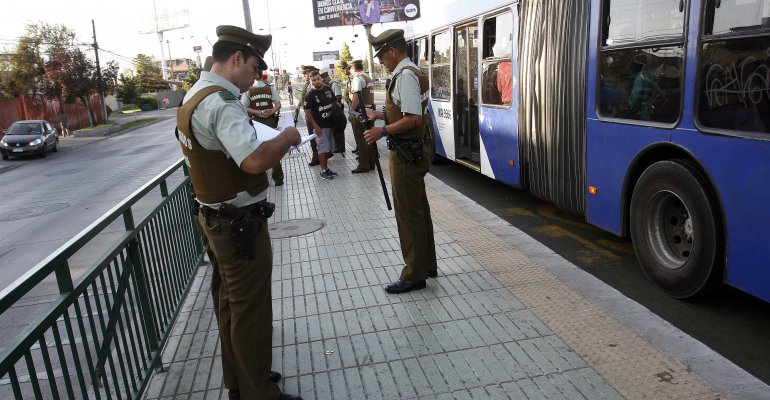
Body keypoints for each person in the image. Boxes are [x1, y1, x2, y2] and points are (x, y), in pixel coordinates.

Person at [175, 25, 302, 400]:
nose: (256, 78)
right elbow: (253, 160)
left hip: (213, 217)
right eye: (254, 67)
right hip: (239, 227)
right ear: (235, 58)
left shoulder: (196, 95)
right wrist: (287, 137)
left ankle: (241, 378)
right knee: (251, 310)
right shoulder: (221, 104)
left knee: (230, 304)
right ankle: (258, 391)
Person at [363, 29, 437, 293]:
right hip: (414, 150)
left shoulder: (404, 75)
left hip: (406, 154)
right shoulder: (412, 71)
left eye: (382, 55)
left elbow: (413, 119)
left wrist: (381, 130)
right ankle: (427, 265)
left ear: (393, 51)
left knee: (408, 214)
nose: (381, 60)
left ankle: (414, 275)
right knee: (419, 209)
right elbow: (406, 110)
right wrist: (380, 114)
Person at [242, 73, 285, 186]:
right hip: (270, 121)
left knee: (257, 150)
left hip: (256, 123)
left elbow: (243, 107)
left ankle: (261, 179)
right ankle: (278, 178)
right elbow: (278, 104)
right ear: (263, 78)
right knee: (273, 149)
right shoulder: (269, 89)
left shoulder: (249, 91)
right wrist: (271, 111)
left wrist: (256, 112)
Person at [303, 69, 338, 180]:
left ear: (321, 79)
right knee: (323, 149)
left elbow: (334, 102)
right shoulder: (310, 95)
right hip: (320, 127)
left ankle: (326, 168)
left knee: (328, 149)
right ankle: (323, 171)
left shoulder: (328, 89)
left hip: (330, 124)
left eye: (318, 79)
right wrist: (316, 126)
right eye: (314, 80)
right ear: (310, 82)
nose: (317, 81)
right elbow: (307, 111)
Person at [349, 59, 375, 173]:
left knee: (362, 139)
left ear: (354, 68)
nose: (349, 71)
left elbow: (356, 97)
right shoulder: (367, 77)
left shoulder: (357, 78)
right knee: (370, 138)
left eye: (350, 68)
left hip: (361, 112)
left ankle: (363, 165)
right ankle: (371, 163)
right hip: (370, 110)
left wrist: (352, 111)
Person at [299, 65, 321, 166]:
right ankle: (318, 155)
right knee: (313, 137)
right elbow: (304, 97)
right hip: (310, 114)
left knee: (314, 137)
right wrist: (298, 106)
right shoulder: (308, 84)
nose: (304, 75)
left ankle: (317, 157)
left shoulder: (313, 86)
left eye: (305, 73)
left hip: (313, 115)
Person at [323, 70, 346, 153]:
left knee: (339, 128)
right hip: (333, 110)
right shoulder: (328, 85)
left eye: (326, 77)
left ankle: (341, 147)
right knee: (335, 129)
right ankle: (337, 146)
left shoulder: (334, 84)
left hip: (337, 110)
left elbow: (338, 97)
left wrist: (329, 101)